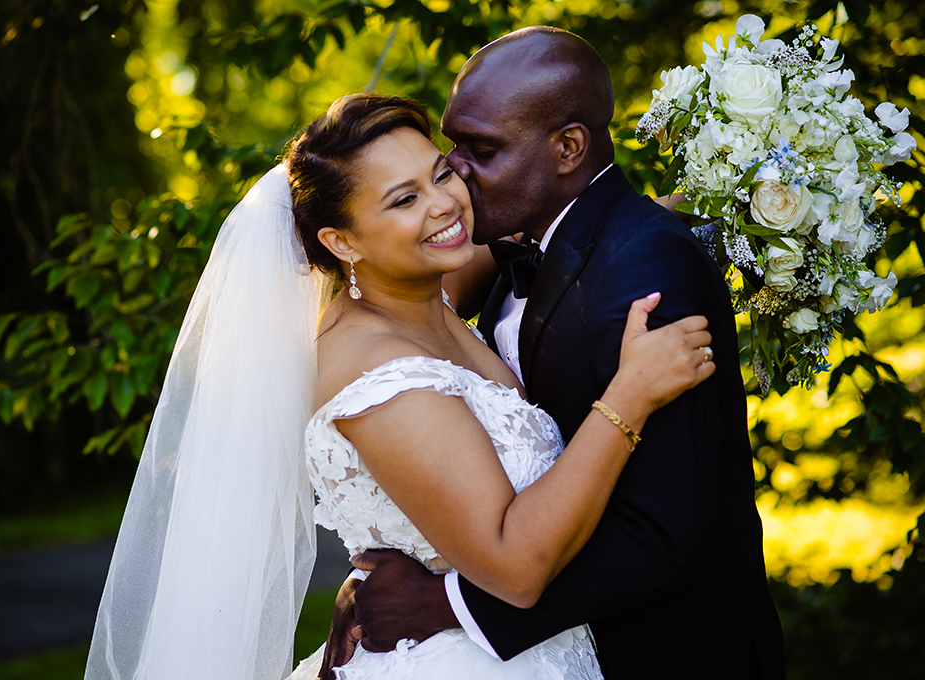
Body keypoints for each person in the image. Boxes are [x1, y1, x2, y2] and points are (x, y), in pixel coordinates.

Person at [84, 92, 713, 680]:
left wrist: (717, 186)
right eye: (402, 199)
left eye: (441, 173)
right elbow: (516, 569)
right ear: (341, 241)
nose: (442, 204)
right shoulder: (380, 377)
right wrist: (627, 399)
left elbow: (563, 230)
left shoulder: (426, 290)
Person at [324, 27, 787, 680]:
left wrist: (444, 601)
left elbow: (662, 535)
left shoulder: (642, 271)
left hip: (666, 654)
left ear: (568, 147)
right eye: (450, 148)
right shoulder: (509, 247)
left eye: (477, 150)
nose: (454, 174)